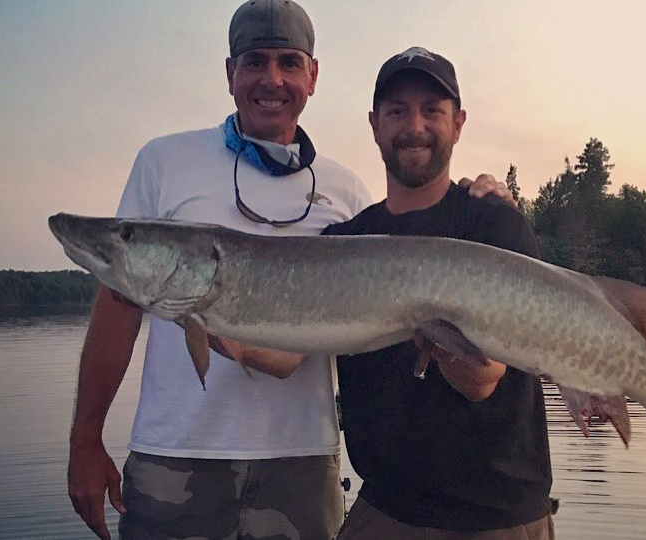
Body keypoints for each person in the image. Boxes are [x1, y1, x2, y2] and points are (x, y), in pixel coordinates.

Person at [66, 2, 510, 539]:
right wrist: (86, 440)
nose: (271, 79)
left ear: (312, 75)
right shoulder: (164, 162)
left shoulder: (346, 192)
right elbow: (117, 306)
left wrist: (482, 202)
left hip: (302, 464)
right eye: (254, 62)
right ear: (230, 73)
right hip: (175, 455)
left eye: (288, 62)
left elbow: (398, 300)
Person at [322, 48, 554, 539]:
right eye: (397, 111)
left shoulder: (494, 222)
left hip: (499, 518)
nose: (415, 125)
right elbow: (276, 350)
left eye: (432, 109)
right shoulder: (343, 244)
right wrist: (195, 304)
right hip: (385, 509)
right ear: (374, 124)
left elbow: (482, 379)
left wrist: (446, 346)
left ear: (459, 122)